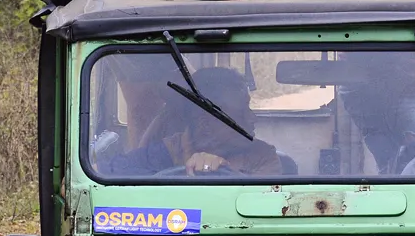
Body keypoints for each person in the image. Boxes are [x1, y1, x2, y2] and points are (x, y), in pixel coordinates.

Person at [97, 66, 285, 177]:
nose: (253, 118)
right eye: (242, 113)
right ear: (205, 124)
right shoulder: (167, 151)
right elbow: (96, 177)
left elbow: (262, 212)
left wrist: (221, 169)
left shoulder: (263, 156)